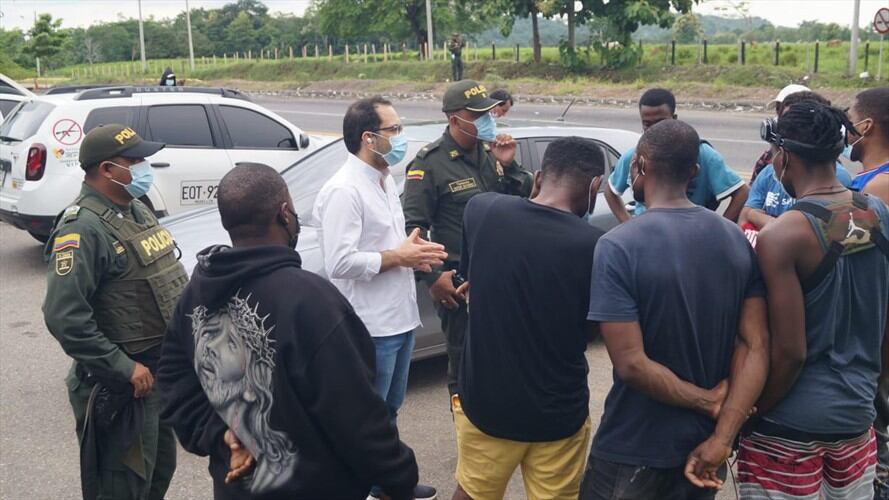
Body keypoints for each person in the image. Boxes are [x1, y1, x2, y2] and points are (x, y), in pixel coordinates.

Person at [157, 163, 420, 500]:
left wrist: (219, 433)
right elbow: (356, 415)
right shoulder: (312, 302)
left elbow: (172, 384)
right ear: (284, 214)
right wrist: (400, 479)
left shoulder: (197, 293)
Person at [580, 120, 769, 500]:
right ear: (695, 172)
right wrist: (722, 437)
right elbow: (756, 345)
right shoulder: (734, 239)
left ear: (641, 166)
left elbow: (631, 363)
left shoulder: (618, 246)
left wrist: (708, 400)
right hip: (702, 448)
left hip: (632, 446)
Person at [739, 101, 889, 500]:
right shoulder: (877, 213)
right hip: (857, 422)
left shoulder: (783, 236)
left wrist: (751, 416)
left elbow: (792, 352)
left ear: (783, 156)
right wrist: (871, 388)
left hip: (789, 428)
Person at [450, 137, 605, 500]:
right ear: (595, 186)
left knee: (471, 492)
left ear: (538, 177)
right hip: (557, 414)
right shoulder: (597, 246)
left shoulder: (481, 210)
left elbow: (470, 276)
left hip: (487, 406)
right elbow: (591, 328)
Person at [42, 124, 187, 500]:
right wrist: (122, 367)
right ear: (107, 170)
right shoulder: (82, 229)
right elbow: (65, 316)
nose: (143, 167)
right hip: (119, 386)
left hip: (154, 378)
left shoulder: (135, 208)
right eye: (134, 161)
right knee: (120, 488)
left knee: (155, 477)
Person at [313, 97, 444, 500]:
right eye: (395, 131)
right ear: (369, 138)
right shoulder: (344, 190)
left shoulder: (384, 179)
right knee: (366, 415)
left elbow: (384, 246)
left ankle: (386, 480)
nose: (401, 138)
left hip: (399, 316)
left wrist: (412, 255)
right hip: (370, 324)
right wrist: (398, 256)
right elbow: (340, 261)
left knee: (388, 410)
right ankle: (366, 485)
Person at [401, 80, 533, 396]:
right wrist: (433, 279)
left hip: (501, 275)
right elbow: (413, 229)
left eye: (489, 112)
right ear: (454, 120)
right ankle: (467, 431)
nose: (487, 120)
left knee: (507, 355)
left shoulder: (491, 153)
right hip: (459, 281)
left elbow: (526, 198)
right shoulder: (429, 163)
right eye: (478, 115)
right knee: (464, 362)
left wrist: (509, 165)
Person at [603, 88, 749, 223]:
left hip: (691, 233)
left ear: (674, 118)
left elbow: (741, 192)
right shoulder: (635, 155)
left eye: (661, 122)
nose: (655, 129)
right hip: (648, 233)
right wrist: (628, 223)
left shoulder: (702, 154)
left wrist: (721, 227)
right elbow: (611, 191)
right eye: (647, 124)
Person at [846, 86, 889, 499]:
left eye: (849, 119)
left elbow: (834, 245)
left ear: (866, 126)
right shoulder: (870, 182)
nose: (845, 128)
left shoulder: (879, 189)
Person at [739, 91, 854, 238]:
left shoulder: (784, 235)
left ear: (784, 156)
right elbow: (848, 240)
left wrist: (757, 217)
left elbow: (826, 236)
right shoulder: (874, 207)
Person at [749, 84, 810, 183]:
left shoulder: (822, 163)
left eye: (786, 111)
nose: (780, 116)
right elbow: (753, 191)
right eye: (778, 109)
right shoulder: (767, 158)